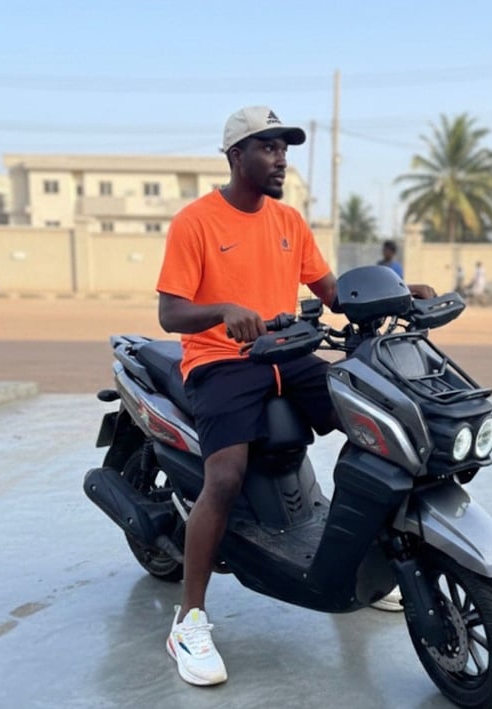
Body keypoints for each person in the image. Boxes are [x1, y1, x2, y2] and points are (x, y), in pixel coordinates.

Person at [156, 106, 435, 687]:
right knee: (226, 476)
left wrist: (398, 295)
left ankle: (375, 561)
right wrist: (225, 310)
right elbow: (171, 311)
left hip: (289, 357)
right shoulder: (196, 222)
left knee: (378, 431)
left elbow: (332, 291)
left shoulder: (288, 221)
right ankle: (191, 619)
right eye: (268, 147)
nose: (282, 158)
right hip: (222, 362)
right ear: (236, 156)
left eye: (285, 148)